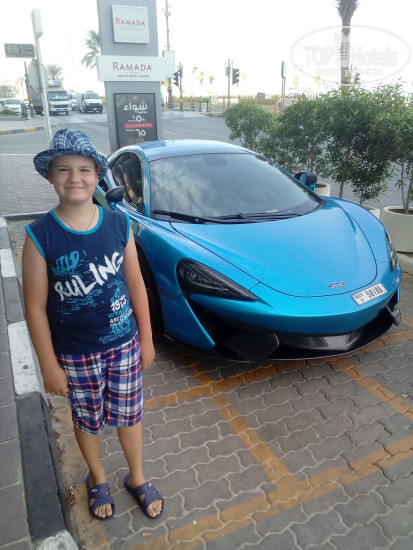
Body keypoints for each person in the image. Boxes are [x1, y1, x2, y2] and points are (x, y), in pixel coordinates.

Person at [22, 128, 163, 521]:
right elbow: (34, 308)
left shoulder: (118, 225)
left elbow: (137, 285)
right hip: (75, 354)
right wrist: (49, 366)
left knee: (130, 414)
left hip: (124, 346)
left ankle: (136, 475)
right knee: (87, 420)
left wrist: (147, 339)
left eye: (84, 169)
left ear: (97, 175)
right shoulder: (39, 236)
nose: (75, 178)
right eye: (63, 169)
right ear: (50, 176)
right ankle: (97, 477)